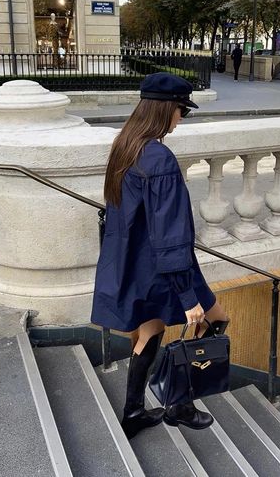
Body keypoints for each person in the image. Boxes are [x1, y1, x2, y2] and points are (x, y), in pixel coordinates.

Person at [91, 72, 229, 439]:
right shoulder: (160, 159)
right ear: (167, 109)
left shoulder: (126, 144)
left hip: (136, 264)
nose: (182, 117)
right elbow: (169, 236)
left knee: (149, 334)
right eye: (182, 109)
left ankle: (134, 411)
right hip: (165, 267)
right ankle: (180, 403)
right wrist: (188, 297)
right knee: (213, 320)